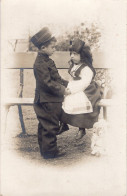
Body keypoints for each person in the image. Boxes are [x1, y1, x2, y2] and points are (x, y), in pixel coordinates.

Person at [31, 27, 69, 159]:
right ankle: (50, 152)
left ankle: (45, 151)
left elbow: (56, 79)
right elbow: (47, 83)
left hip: (48, 99)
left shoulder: (47, 60)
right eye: (52, 47)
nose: (54, 49)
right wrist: (63, 90)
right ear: (43, 48)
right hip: (48, 100)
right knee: (50, 126)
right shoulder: (40, 63)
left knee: (45, 125)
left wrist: (67, 84)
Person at [61, 38, 103, 140]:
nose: (72, 56)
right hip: (75, 87)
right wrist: (68, 87)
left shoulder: (86, 69)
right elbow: (72, 79)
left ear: (82, 55)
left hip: (87, 90)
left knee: (78, 102)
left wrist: (72, 90)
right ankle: (63, 123)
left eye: (75, 54)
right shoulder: (74, 65)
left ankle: (81, 128)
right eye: (71, 53)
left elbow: (84, 83)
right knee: (62, 100)